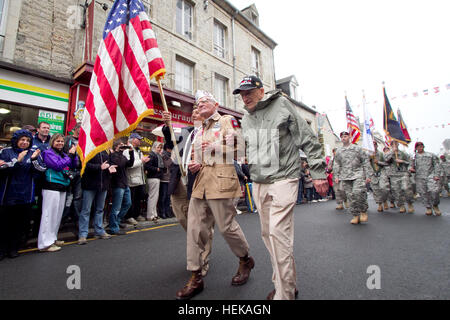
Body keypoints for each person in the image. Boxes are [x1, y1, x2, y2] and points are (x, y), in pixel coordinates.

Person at [234, 75, 328, 300]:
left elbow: (307, 139)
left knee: (278, 234)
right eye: (241, 93)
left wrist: (317, 173)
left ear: (261, 90)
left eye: (249, 91)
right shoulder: (246, 119)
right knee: (269, 236)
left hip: (284, 178)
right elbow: (245, 151)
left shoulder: (282, 104)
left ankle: (284, 294)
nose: (245, 97)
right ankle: (286, 284)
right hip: (259, 182)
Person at [176, 91, 254, 300]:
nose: (199, 105)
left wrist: (215, 146)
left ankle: (245, 259)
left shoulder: (227, 120)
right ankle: (196, 276)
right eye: (197, 103)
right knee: (194, 229)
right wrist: (195, 163)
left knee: (226, 227)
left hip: (222, 181)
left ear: (216, 104)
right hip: (201, 183)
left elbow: (240, 147)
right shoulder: (200, 129)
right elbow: (199, 155)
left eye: (204, 102)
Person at [162, 103, 214, 277]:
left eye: (198, 112)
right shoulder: (185, 132)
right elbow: (170, 143)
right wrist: (168, 125)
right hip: (179, 184)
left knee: (198, 226)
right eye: (192, 112)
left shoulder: (212, 133)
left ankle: (202, 261)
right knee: (185, 220)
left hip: (199, 184)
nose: (193, 114)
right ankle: (201, 244)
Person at [0, 129, 45, 260]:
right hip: (7, 196)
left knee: (19, 225)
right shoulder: (6, 151)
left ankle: (14, 248)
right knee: (4, 224)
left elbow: (41, 170)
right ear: (16, 140)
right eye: (22, 140)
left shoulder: (33, 153)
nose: (25, 142)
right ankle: (2, 249)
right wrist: (17, 162)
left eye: (27, 140)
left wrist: (34, 160)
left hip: (25, 196)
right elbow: (2, 168)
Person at [38, 133, 78, 252]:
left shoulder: (63, 154)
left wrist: (74, 154)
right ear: (52, 142)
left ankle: (52, 239)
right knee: (48, 216)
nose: (60, 143)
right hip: (51, 186)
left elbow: (73, 164)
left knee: (57, 216)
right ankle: (44, 244)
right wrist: (70, 155)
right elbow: (57, 166)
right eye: (57, 141)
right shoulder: (48, 153)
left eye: (61, 141)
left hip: (62, 186)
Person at [334, 131, 373, 225]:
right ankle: (355, 215)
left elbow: (365, 161)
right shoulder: (339, 151)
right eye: (342, 137)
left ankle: (363, 211)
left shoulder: (357, 148)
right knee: (350, 196)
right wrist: (336, 175)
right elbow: (337, 164)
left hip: (357, 174)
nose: (343, 138)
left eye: (345, 136)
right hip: (345, 176)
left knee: (358, 192)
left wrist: (368, 175)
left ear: (349, 137)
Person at [78, 150, 114, 245]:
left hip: (103, 184)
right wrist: (99, 167)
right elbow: (84, 164)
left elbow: (108, 163)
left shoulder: (105, 151)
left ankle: (99, 230)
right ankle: (83, 234)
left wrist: (110, 167)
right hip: (90, 184)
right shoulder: (88, 149)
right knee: (86, 210)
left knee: (100, 209)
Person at [108, 139, 135, 235]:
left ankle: (117, 221)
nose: (123, 146)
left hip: (124, 183)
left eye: (123, 145)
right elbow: (119, 164)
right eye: (121, 145)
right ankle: (113, 227)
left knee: (128, 203)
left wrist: (131, 152)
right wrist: (118, 152)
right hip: (117, 184)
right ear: (116, 147)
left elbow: (130, 164)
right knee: (116, 207)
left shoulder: (122, 156)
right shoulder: (113, 156)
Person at [123, 133, 150, 225]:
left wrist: (144, 162)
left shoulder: (139, 151)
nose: (140, 141)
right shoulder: (127, 150)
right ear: (133, 139)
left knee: (138, 198)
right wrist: (141, 161)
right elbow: (129, 165)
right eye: (138, 139)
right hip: (132, 178)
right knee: (131, 199)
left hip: (140, 178)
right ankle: (129, 216)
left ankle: (136, 214)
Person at [410, 142, 441, 216]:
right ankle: (428, 207)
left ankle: (435, 205)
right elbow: (410, 166)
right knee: (423, 193)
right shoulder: (413, 157)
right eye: (418, 147)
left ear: (423, 146)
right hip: (419, 177)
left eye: (421, 146)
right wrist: (411, 169)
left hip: (430, 175)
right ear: (416, 148)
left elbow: (437, 165)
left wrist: (436, 175)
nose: (420, 148)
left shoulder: (431, 155)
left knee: (434, 191)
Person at [385, 140, 415, 213]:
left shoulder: (404, 154)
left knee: (406, 188)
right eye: (392, 144)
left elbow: (410, 162)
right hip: (394, 175)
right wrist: (392, 152)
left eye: (396, 144)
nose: (394, 145)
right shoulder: (388, 154)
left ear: (398, 144)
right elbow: (386, 161)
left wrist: (403, 161)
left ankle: (410, 203)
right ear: (391, 146)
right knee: (396, 191)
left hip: (403, 173)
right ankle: (401, 205)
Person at [61, 123, 82, 225]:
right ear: (76, 129)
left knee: (78, 196)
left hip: (80, 171)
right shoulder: (67, 139)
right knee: (67, 196)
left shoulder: (84, 140)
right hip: (68, 171)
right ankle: (63, 218)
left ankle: (76, 219)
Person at [144, 142, 164, 222]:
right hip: (153, 177)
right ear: (154, 147)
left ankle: (154, 214)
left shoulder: (157, 155)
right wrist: (157, 169)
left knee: (155, 197)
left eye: (160, 147)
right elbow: (147, 166)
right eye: (158, 147)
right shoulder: (152, 155)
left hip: (156, 177)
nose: (159, 149)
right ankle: (150, 215)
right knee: (153, 197)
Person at [369, 141, 390, 212]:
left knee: (384, 188)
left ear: (376, 146)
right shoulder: (368, 155)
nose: (373, 147)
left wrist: (378, 162)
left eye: (374, 145)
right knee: (376, 190)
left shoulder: (382, 154)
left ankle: (385, 200)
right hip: (373, 174)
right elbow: (365, 165)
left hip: (382, 173)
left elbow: (387, 163)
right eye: (372, 145)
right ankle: (380, 204)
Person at [158, 144, 173, 219]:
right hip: (164, 178)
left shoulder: (171, 155)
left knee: (168, 197)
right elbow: (166, 164)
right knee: (163, 196)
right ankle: (162, 212)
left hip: (170, 178)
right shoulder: (163, 156)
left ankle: (167, 211)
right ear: (167, 149)